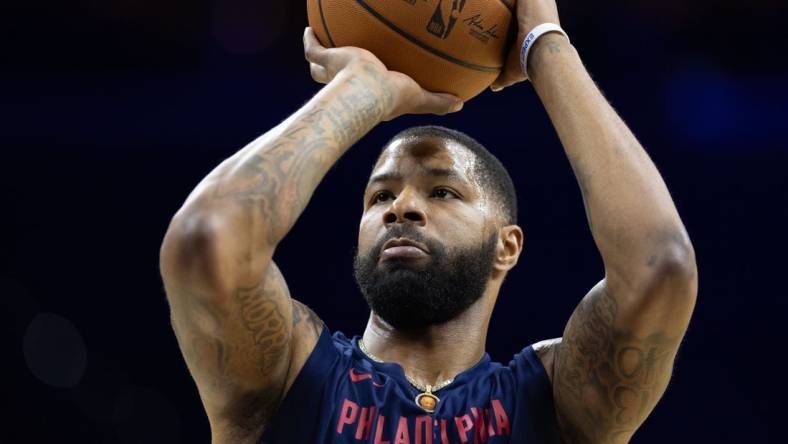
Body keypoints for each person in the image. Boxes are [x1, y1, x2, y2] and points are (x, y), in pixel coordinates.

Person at [159, 1, 698, 443]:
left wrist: (546, 45)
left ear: (506, 246)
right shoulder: (290, 376)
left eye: (442, 191)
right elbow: (205, 240)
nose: (401, 207)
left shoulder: (551, 406)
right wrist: (362, 92)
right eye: (379, 197)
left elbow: (661, 269)